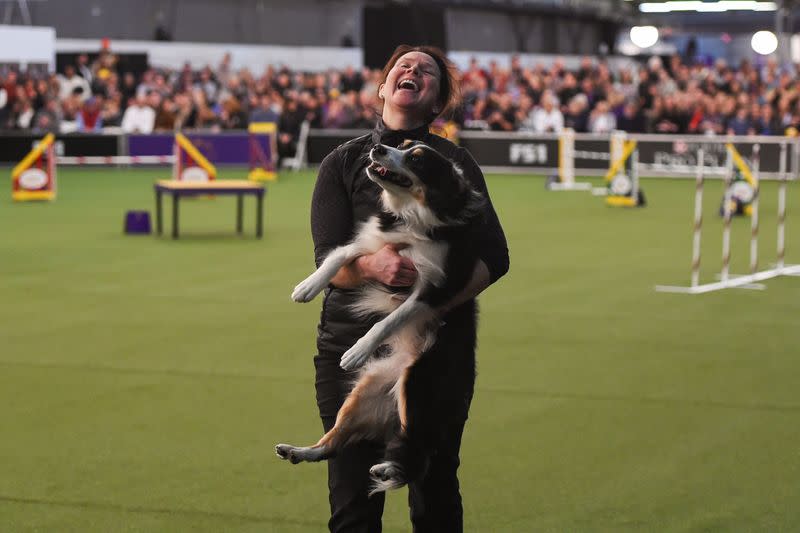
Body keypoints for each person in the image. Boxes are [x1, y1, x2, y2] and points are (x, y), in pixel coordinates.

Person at [307, 44, 509, 532]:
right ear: (382, 87)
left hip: (437, 354)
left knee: (434, 494)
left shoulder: (455, 165)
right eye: (403, 65)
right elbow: (328, 261)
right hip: (349, 345)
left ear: (437, 102)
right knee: (352, 504)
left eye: (427, 71)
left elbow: (495, 258)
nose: (412, 70)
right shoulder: (342, 163)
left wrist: (431, 303)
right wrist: (373, 266)